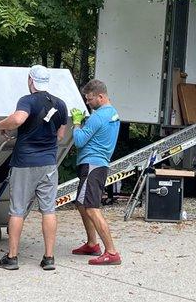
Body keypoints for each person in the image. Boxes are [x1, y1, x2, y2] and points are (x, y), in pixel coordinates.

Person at [0, 65, 67, 271]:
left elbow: (17, 119)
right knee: (48, 210)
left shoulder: (27, 100)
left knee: (17, 210)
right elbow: (60, 136)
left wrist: (0, 125)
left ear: (30, 80)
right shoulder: (60, 104)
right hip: (49, 163)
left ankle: (12, 258)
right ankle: (49, 258)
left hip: (25, 163)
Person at [69, 79, 121, 265]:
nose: (88, 103)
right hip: (98, 164)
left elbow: (79, 140)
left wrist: (76, 123)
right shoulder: (112, 114)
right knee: (82, 204)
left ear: (100, 96)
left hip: (92, 164)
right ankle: (92, 244)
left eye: (90, 99)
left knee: (91, 207)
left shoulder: (98, 117)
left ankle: (112, 252)